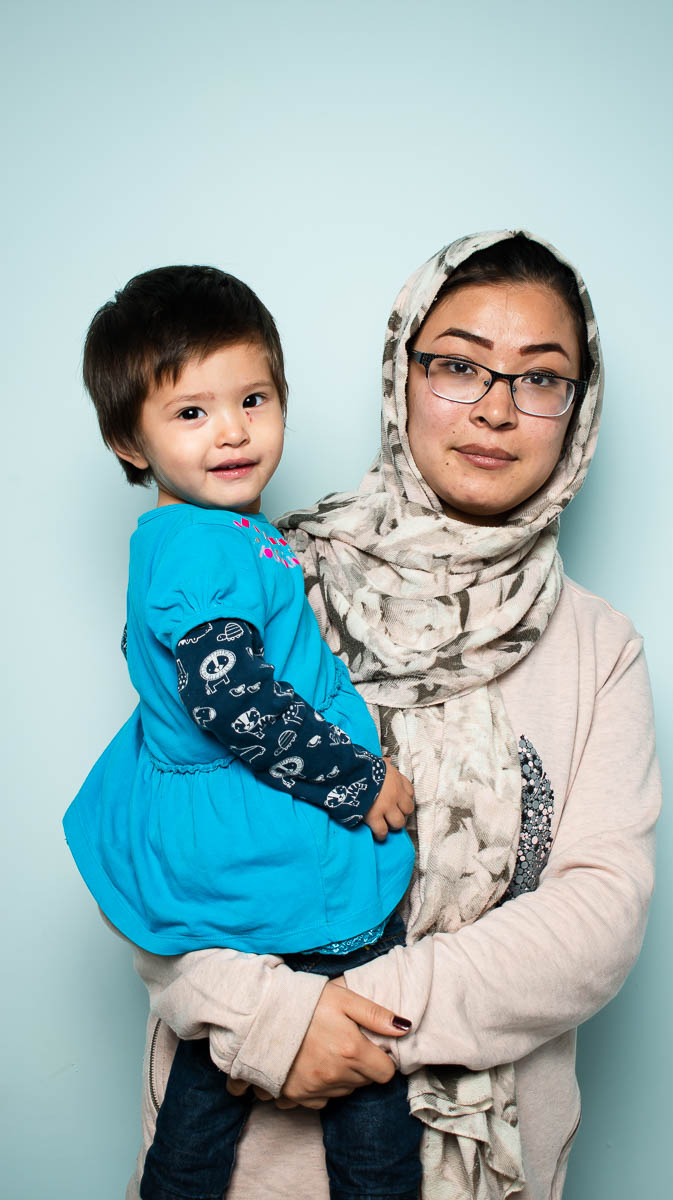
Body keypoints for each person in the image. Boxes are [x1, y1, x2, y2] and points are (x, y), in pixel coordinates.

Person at [124, 230, 661, 1200]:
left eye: (539, 380)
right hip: (249, 1167)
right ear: (399, 369)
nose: (495, 409)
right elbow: (161, 843)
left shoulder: (597, 649)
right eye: (456, 365)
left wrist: (357, 1007)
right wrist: (278, 1025)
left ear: (575, 414)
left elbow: (597, 921)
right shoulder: (269, 580)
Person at [62, 265, 423, 1200]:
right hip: (265, 843)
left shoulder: (210, 535)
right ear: (125, 440)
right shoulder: (198, 548)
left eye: (253, 398)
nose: (231, 430)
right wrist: (354, 777)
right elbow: (234, 701)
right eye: (190, 412)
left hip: (228, 847)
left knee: (209, 1080)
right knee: (366, 1042)